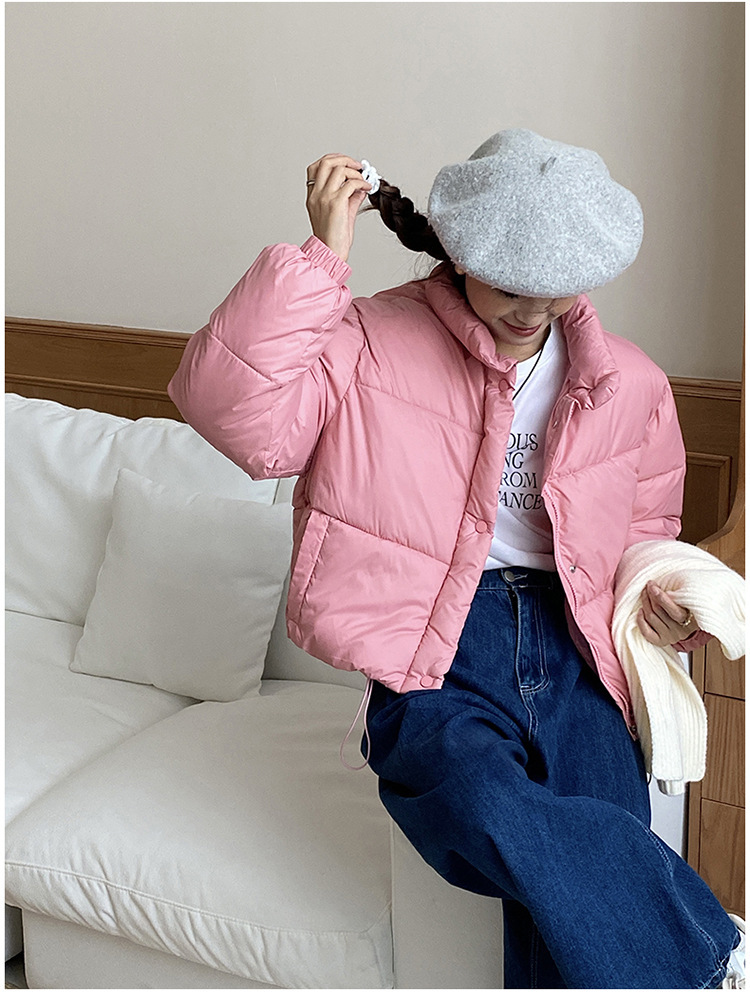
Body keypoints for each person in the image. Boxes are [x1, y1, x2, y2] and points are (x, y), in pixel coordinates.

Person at [167, 129, 744, 989]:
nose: (530, 312)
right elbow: (233, 414)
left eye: (554, 291)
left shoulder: (630, 383)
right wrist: (322, 258)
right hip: (433, 637)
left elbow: (642, 535)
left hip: (576, 642)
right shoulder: (371, 339)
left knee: (592, 834)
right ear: (463, 252)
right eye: (510, 285)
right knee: (477, 801)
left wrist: (660, 597)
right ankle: (711, 948)